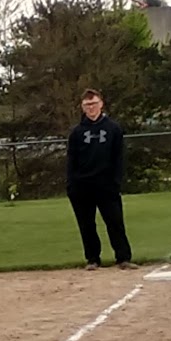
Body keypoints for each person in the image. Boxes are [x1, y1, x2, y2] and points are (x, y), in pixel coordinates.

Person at [66, 89, 133, 269]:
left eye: (94, 103)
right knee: (86, 225)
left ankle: (123, 258)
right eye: (87, 105)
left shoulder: (113, 128)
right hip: (82, 186)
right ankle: (93, 259)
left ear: (101, 104)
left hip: (106, 185)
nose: (91, 108)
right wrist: (71, 185)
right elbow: (71, 160)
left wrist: (116, 182)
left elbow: (119, 158)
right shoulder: (77, 132)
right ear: (82, 107)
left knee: (115, 222)